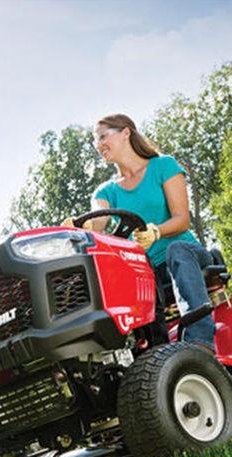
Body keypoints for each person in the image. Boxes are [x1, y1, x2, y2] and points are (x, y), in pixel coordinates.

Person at [79, 113, 216, 351]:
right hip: (148, 272)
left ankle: (201, 342)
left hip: (188, 257)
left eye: (103, 137)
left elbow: (182, 220)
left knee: (176, 249)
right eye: (95, 140)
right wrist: (85, 226)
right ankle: (156, 353)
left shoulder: (163, 166)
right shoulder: (107, 190)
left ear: (125, 132)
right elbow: (99, 218)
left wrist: (156, 232)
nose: (98, 145)